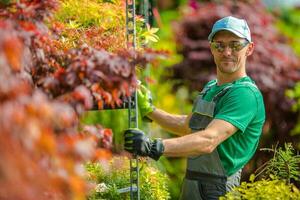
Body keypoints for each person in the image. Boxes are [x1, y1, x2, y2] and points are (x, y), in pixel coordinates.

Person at [124, 16, 266, 200]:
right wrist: (150, 110)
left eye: (235, 45)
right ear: (212, 48)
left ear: (249, 48)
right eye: (219, 45)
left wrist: (153, 146)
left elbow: (208, 139)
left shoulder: (244, 94)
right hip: (192, 184)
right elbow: (188, 126)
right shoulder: (211, 87)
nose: (227, 52)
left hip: (217, 189)